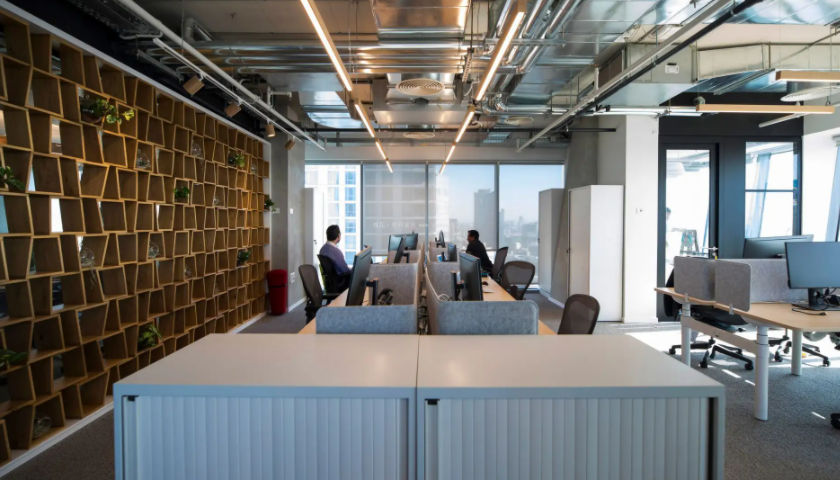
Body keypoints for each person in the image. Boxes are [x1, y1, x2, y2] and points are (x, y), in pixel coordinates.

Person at [319, 225, 351, 291]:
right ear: (338, 236)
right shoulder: (336, 252)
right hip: (341, 284)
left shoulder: (322, 249)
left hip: (330, 284)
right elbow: (345, 270)